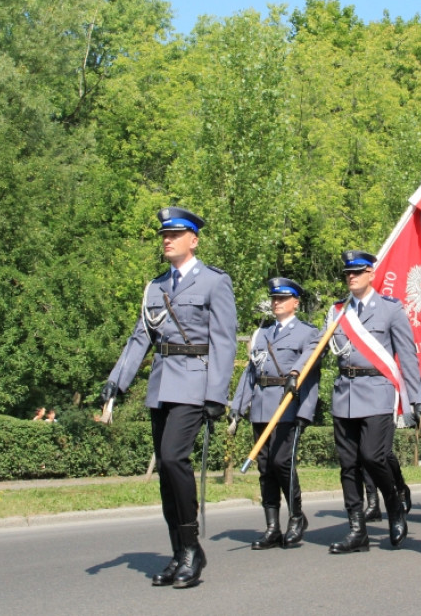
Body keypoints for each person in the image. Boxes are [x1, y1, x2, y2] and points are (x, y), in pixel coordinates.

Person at [100, 207, 237, 589]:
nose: (167, 239)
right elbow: (140, 337)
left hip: (195, 383)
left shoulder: (213, 282)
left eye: (175, 234)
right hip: (161, 386)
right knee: (165, 469)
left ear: (193, 240)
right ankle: (179, 552)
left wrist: (217, 395)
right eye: (164, 234)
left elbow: (224, 342)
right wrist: (117, 381)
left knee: (176, 458)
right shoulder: (154, 287)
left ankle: (192, 548)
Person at [298, 250, 421, 554]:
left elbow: (406, 354)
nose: (351, 277)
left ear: (371, 274)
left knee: (373, 456)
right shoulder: (337, 311)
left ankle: (393, 506)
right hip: (344, 393)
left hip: (378, 392)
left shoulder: (391, 310)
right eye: (347, 273)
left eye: (357, 272)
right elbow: (318, 346)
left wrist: (416, 399)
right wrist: (295, 370)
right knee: (348, 465)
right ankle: (357, 531)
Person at [229, 278, 319, 549]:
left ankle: (295, 518)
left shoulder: (308, 333)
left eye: (282, 298)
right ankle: (272, 527)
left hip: (286, 407)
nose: (277, 303)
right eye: (274, 299)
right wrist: (237, 408)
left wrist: (305, 412)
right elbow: (250, 373)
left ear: (296, 302)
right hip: (260, 407)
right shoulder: (262, 334)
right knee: (265, 467)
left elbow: (311, 374)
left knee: (283, 463)